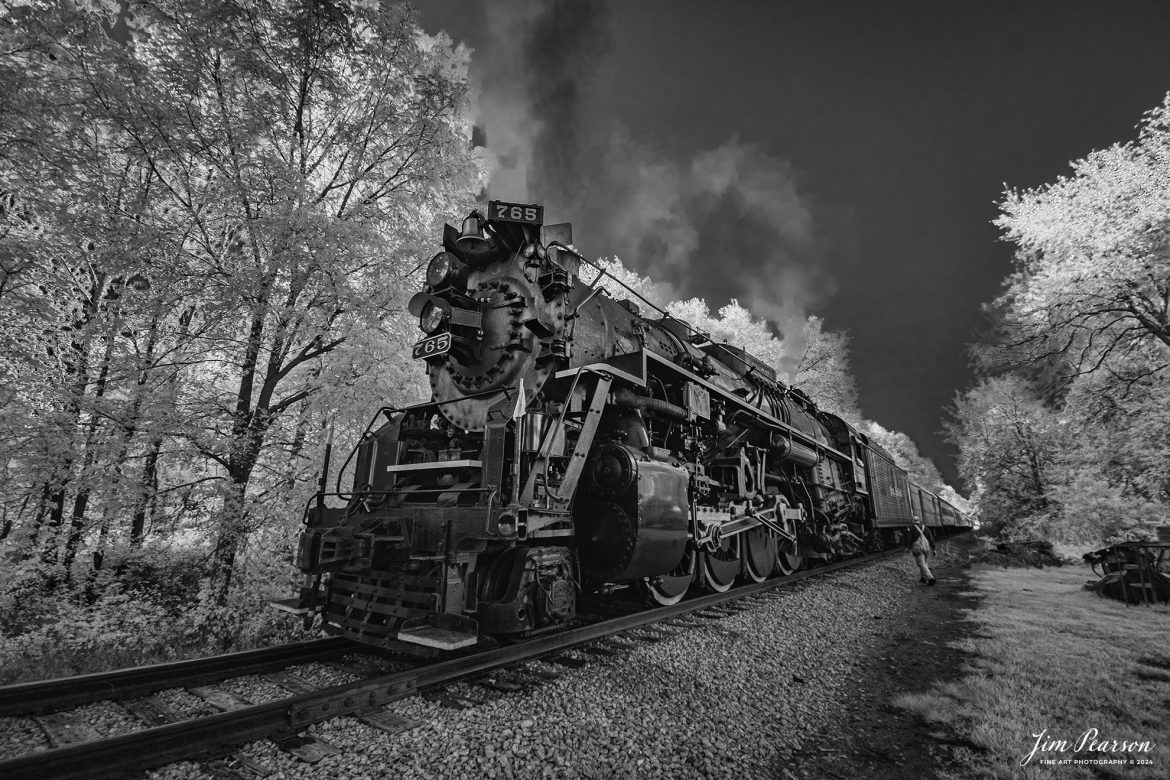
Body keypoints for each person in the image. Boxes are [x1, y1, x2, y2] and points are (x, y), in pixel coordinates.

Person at [908, 518, 936, 585]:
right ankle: (923, 578)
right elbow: (931, 538)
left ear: (913, 522)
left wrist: (908, 547)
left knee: (921, 564)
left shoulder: (912, 529)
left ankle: (931, 578)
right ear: (919, 521)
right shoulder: (926, 528)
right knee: (925, 563)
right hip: (926, 548)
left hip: (918, 548)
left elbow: (909, 539)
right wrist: (933, 548)